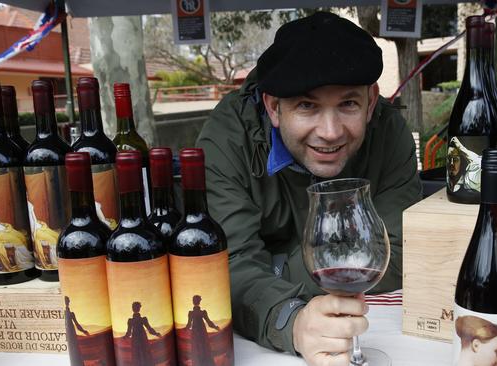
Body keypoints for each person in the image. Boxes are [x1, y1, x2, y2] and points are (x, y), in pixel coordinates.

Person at [196, 11, 422, 366]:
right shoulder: (227, 141)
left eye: (348, 103)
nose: (330, 132)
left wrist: (273, 269)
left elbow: (399, 252)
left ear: (371, 100)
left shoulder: (390, 134)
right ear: (273, 107)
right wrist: (292, 319)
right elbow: (226, 266)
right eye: (307, 106)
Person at [186, 295, 220, 366]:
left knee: (197, 349)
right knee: (204, 348)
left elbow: (188, 325)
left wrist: (182, 329)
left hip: (195, 333)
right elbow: (209, 323)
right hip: (202, 332)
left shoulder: (191, 313)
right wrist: (216, 327)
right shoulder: (203, 312)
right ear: (199, 302)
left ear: (193, 302)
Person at [124, 301, 161, 365]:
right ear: (139, 308)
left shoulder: (131, 320)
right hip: (141, 338)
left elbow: (128, 333)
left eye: (135, 307)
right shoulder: (142, 319)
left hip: (137, 339)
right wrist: (156, 334)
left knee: (138, 355)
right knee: (144, 354)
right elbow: (150, 329)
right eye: (134, 307)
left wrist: (124, 338)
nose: (134, 308)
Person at [64, 296, 89, 366]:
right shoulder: (65, 313)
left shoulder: (71, 313)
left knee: (75, 350)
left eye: (67, 300)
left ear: (68, 302)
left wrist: (84, 331)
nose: (66, 302)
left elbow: (77, 325)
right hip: (70, 335)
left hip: (72, 334)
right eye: (65, 300)